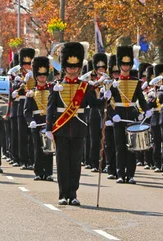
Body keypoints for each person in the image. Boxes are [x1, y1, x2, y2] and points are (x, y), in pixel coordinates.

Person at [46, 42, 108, 206]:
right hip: (61, 128)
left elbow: (94, 104)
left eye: (75, 67)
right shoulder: (56, 86)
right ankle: (62, 194)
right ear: (64, 66)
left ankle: (73, 193)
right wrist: (48, 128)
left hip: (79, 128)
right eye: (69, 66)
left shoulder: (85, 86)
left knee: (75, 163)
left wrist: (106, 96)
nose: (73, 70)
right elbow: (50, 109)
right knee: (62, 163)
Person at [109, 45, 150, 185]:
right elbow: (108, 102)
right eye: (123, 64)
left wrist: (146, 110)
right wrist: (112, 114)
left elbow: (141, 99)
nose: (125, 66)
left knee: (131, 147)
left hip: (132, 115)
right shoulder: (113, 83)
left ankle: (131, 174)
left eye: (128, 64)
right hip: (119, 116)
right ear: (119, 65)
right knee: (119, 146)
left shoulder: (136, 82)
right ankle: (120, 174)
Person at [24, 56, 53, 180]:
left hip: (48, 121)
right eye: (39, 75)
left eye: (44, 75)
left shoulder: (52, 90)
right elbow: (27, 111)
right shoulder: (31, 93)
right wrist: (31, 121)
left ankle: (48, 173)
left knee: (48, 148)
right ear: (36, 76)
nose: (42, 77)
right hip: (37, 122)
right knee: (37, 148)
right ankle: (39, 172)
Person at [13, 48, 36, 170]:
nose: (27, 66)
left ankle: (33, 160)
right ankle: (23, 160)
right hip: (22, 104)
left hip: (34, 103)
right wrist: (23, 80)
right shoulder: (18, 76)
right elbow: (16, 89)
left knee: (33, 135)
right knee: (22, 135)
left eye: (29, 63)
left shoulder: (37, 74)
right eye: (25, 64)